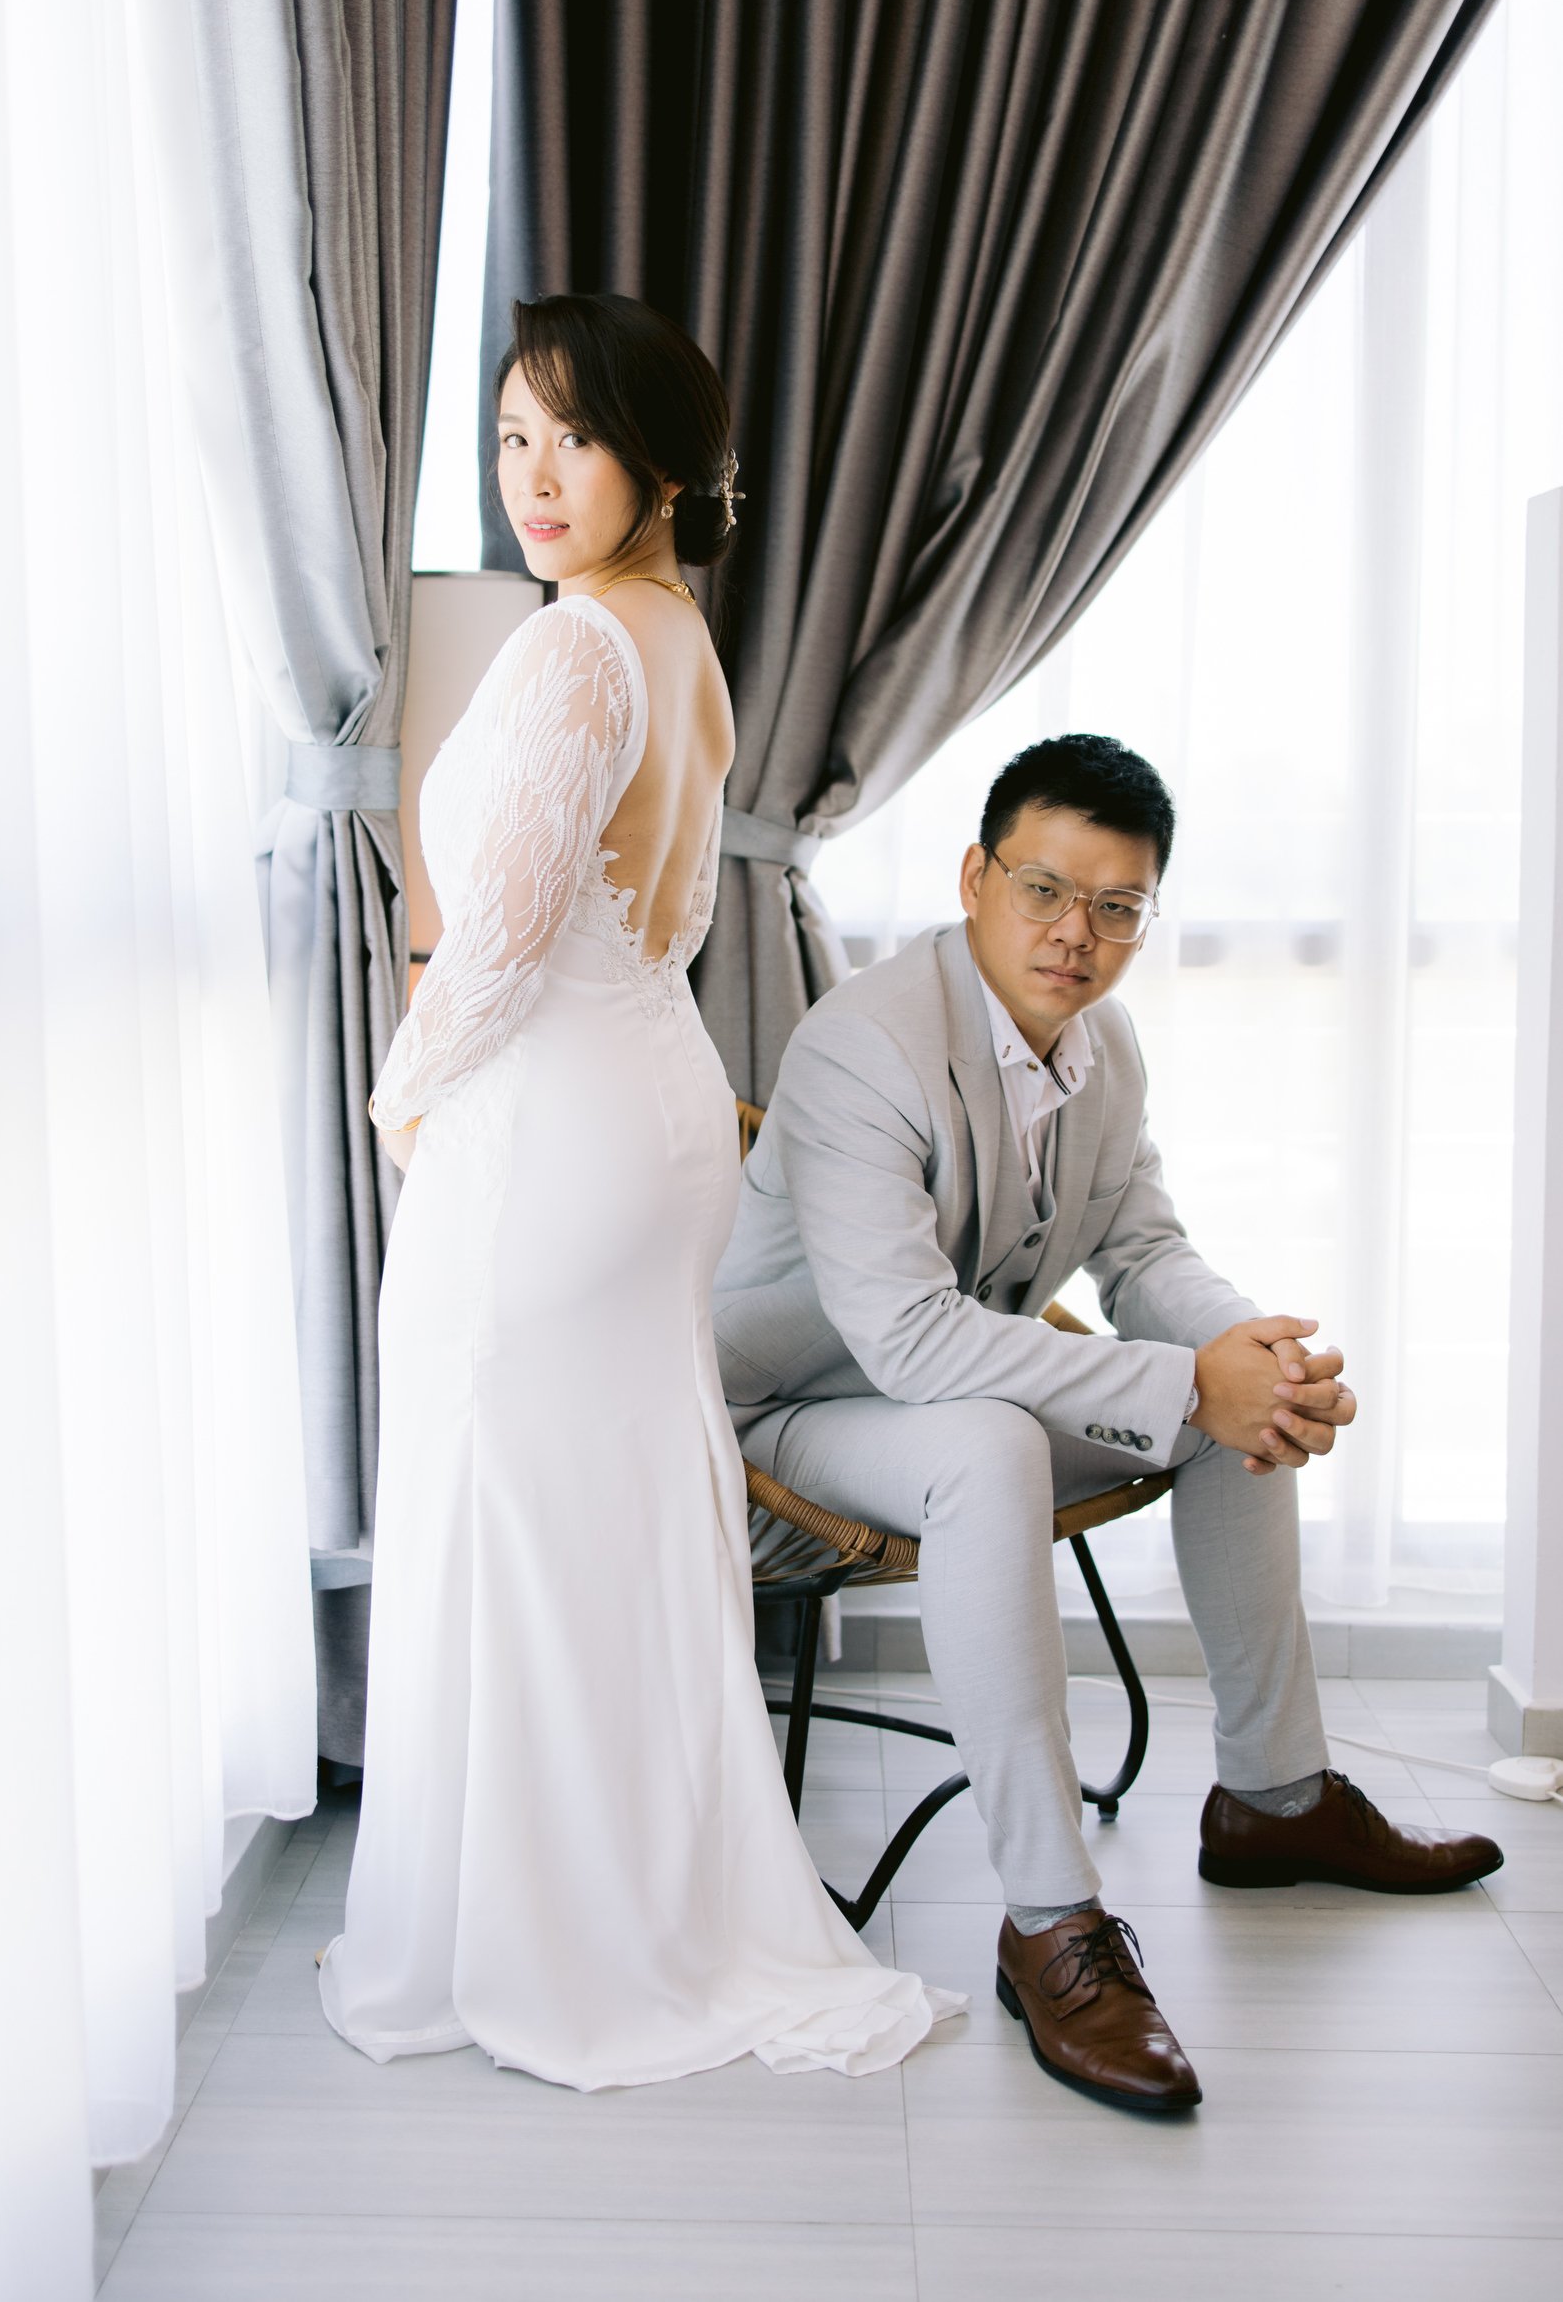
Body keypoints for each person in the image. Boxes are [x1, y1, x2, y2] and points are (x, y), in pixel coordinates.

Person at [316, 291, 960, 2089]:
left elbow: (504, 939)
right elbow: (642, 919)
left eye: (574, 438)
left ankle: (542, 1937)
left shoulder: (571, 652)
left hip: (551, 1126)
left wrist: (400, 1096)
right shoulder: (681, 642)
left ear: (662, 465)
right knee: (602, 1519)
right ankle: (624, 1904)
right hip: (654, 1099)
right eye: (510, 438)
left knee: (511, 1511)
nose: (531, 477)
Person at [714, 734, 1502, 2115]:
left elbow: (1143, 1253)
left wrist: (1254, 1357)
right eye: (1044, 889)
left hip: (955, 1391)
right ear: (975, 878)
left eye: (1117, 906)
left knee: (1233, 1411)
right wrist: (1188, 1382)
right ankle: (1049, 1923)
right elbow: (905, 1338)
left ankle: (1272, 1801)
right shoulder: (863, 1045)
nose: (1075, 934)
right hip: (792, 1408)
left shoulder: (1106, 1045)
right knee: (996, 1445)